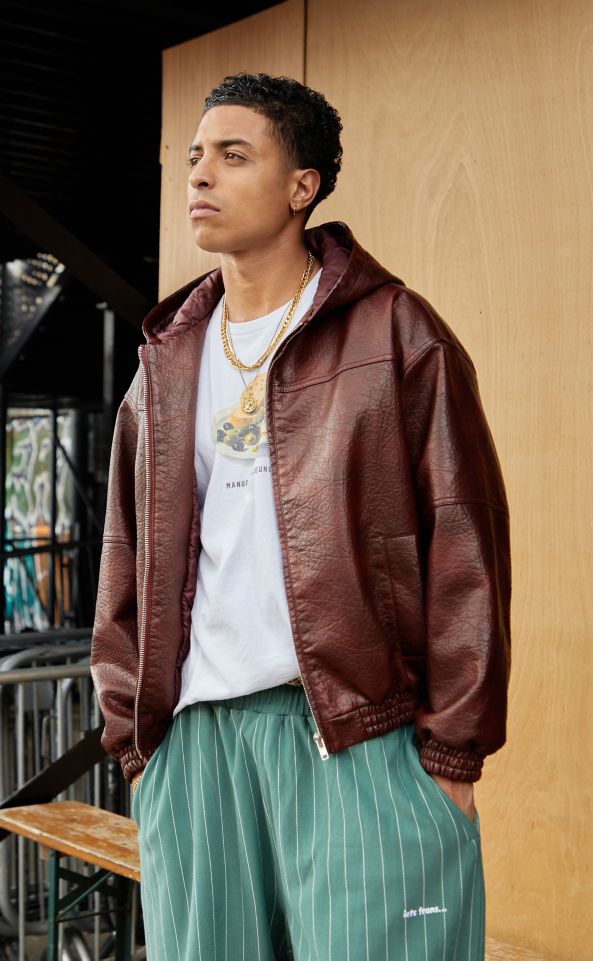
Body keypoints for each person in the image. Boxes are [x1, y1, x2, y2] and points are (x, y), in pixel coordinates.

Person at [91, 72, 510, 961]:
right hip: (196, 743)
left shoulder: (396, 333)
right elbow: (122, 559)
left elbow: (464, 541)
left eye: (233, 155)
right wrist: (137, 742)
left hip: (357, 735)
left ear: (301, 185)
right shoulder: (165, 363)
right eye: (196, 156)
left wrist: (452, 757)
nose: (201, 174)